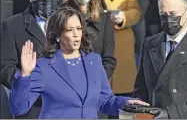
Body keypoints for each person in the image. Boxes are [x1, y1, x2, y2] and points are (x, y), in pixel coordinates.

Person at [8, 7, 149, 119]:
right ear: (57, 36)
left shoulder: (94, 61)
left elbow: (104, 101)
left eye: (79, 28)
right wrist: (24, 75)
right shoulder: (44, 66)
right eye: (70, 30)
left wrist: (125, 103)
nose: (76, 34)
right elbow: (18, 108)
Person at [63, 0, 141, 94]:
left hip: (120, 48)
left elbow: (136, 11)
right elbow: (67, 8)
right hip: (89, 42)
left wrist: (123, 17)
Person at [0, 0, 60, 118]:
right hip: (32, 109)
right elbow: (5, 69)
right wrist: (35, 87)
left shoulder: (71, 22)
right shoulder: (12, 26)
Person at [61, 0, 115, 79]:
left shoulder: (103, 17)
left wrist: (97, 82)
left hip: (96, 84)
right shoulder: (61, 15)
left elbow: (108, 59)